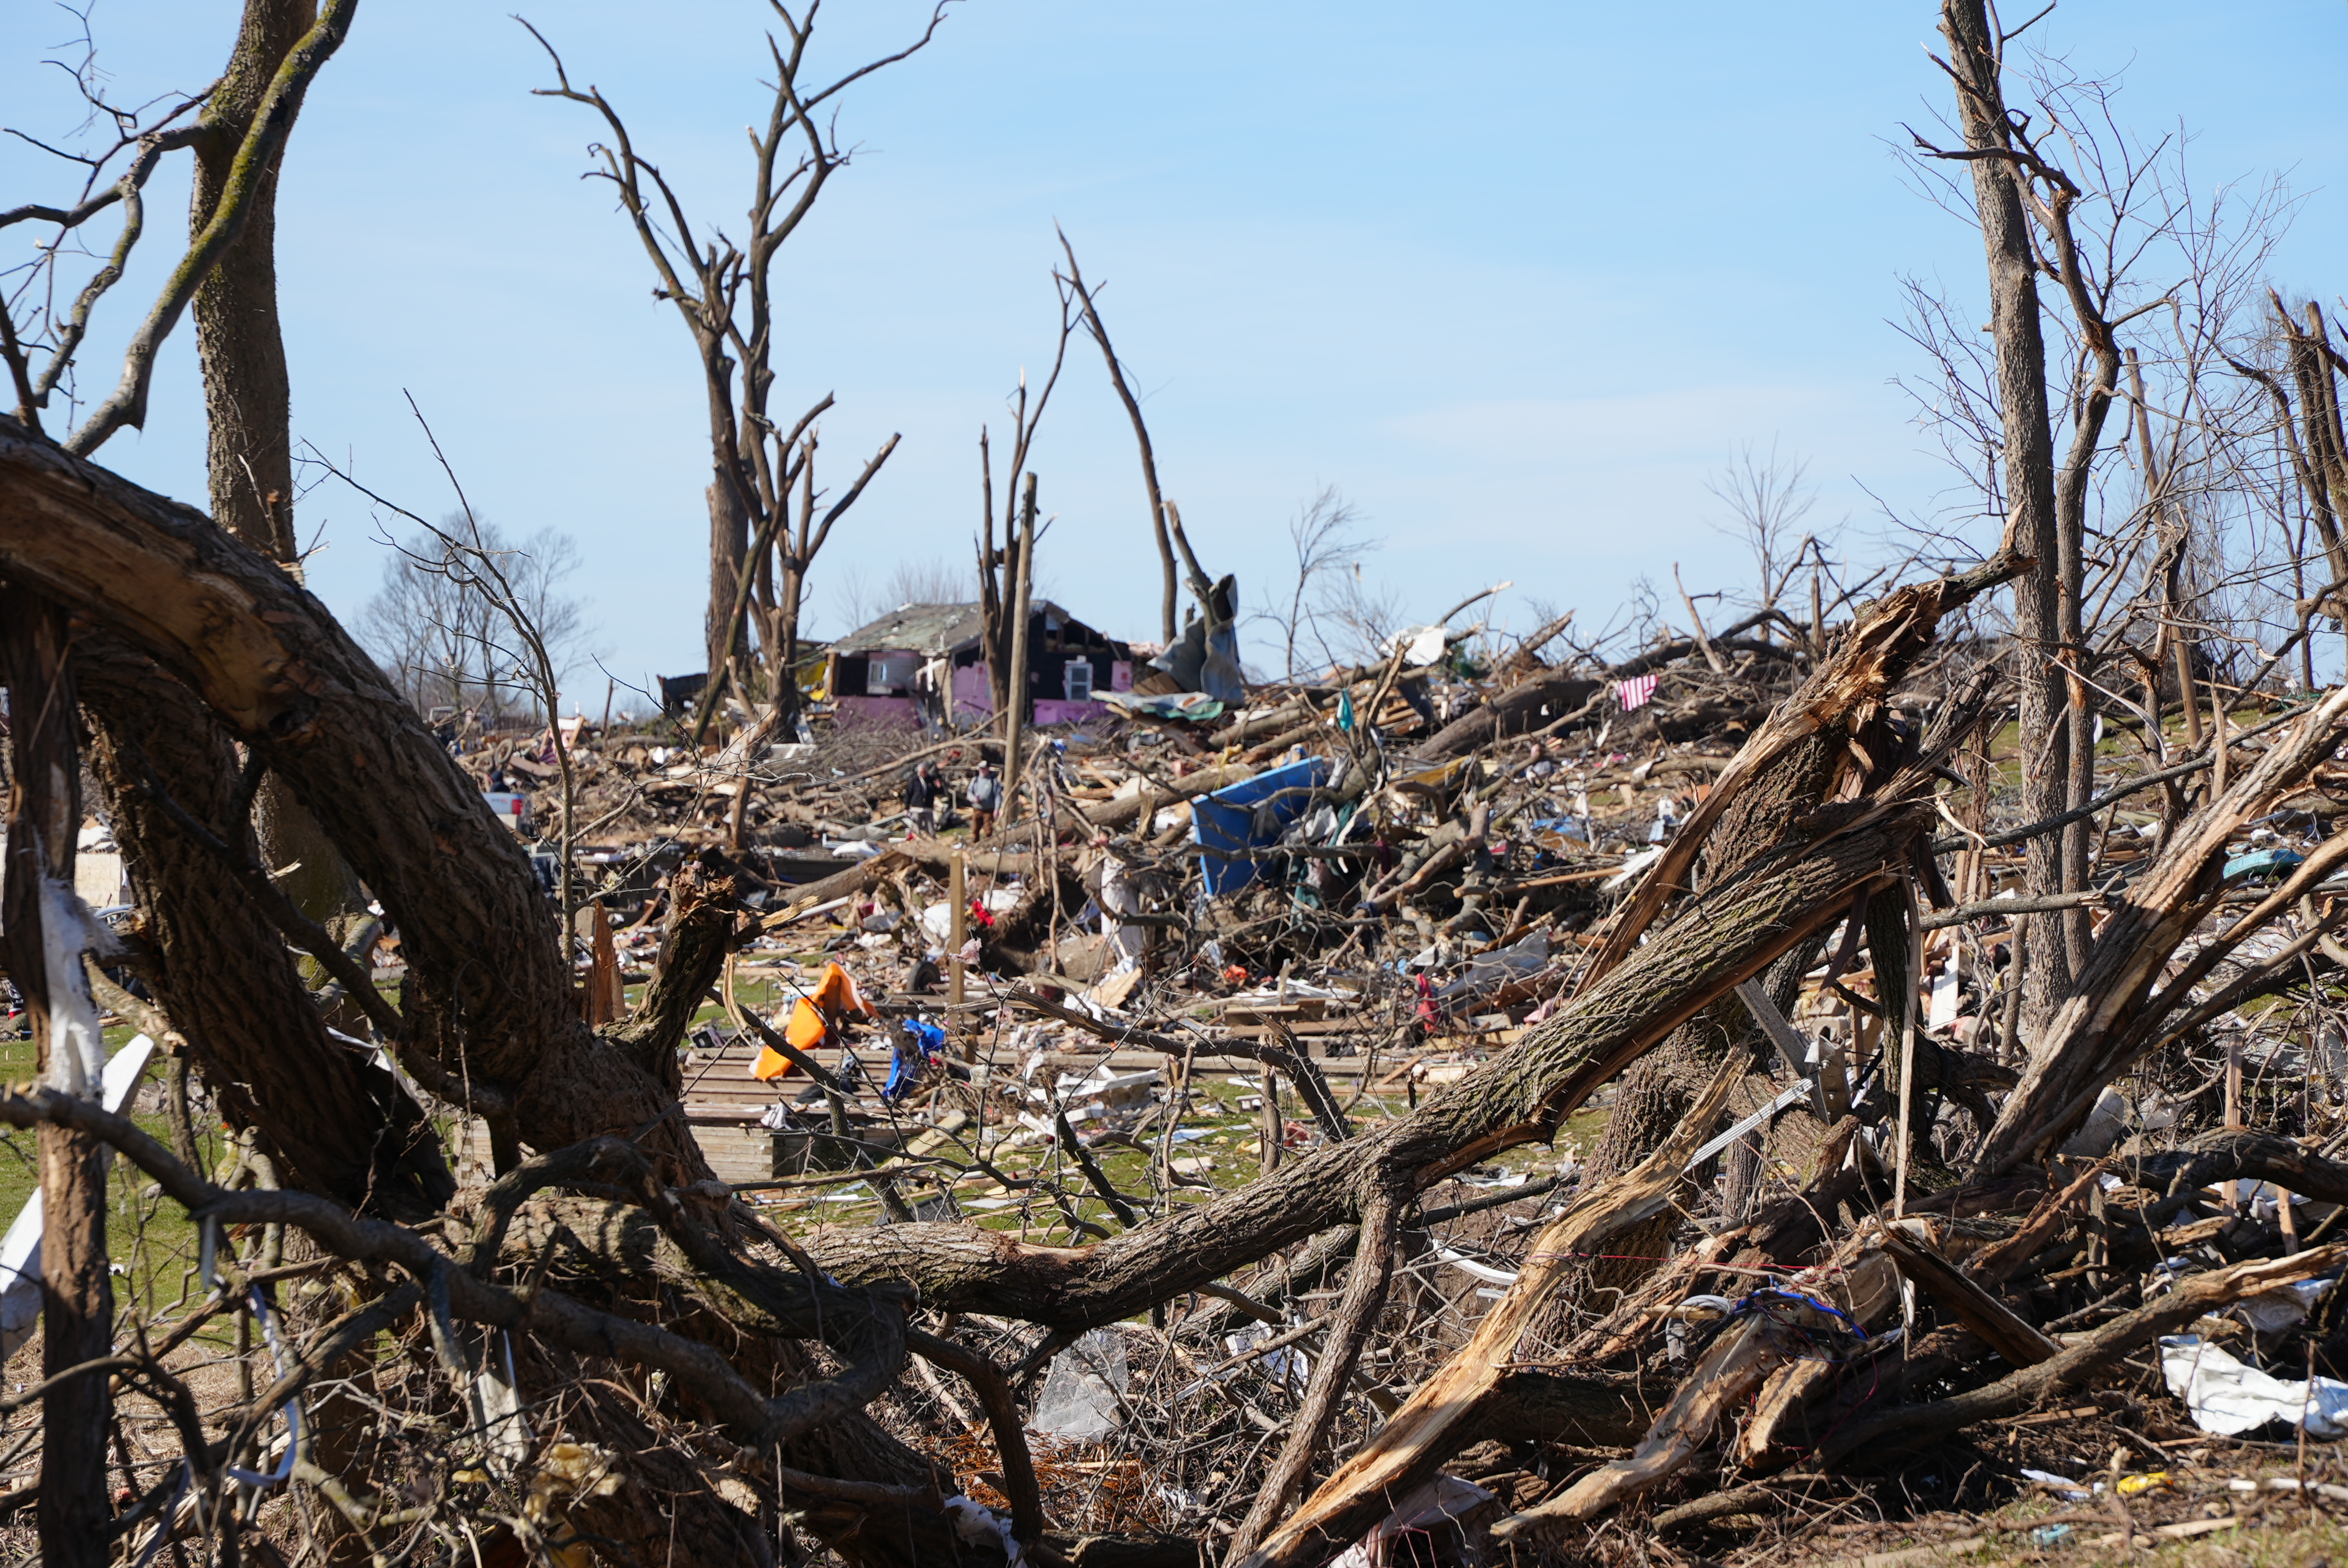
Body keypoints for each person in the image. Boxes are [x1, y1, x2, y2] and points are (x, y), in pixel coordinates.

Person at [904, 760, 940, 836]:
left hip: (928, 808)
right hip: (916, 808)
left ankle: (932, 841)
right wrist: (906, 808)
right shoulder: (914, 781)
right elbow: (908, 794)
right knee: (917, 830)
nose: (923, 773)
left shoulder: (931, 780)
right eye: (922, 772)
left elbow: (937, 792)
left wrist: (939, 787)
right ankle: (919, 842)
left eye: (925, 772)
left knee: (931, 830)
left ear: (927, 771)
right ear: (919, 772)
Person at [967, 761, 1003, 837]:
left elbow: (998, 796)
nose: (982, 770)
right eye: (981, 768)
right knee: (975, 830)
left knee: (988, 831)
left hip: (989, 810)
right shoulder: (975, 780)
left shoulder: (994, 781)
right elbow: (969, 792)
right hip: (977, 809)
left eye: (984, 768)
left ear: (988, 769)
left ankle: (988, 843)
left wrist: (997, 809)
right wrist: (974, 799)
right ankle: (976, 843)